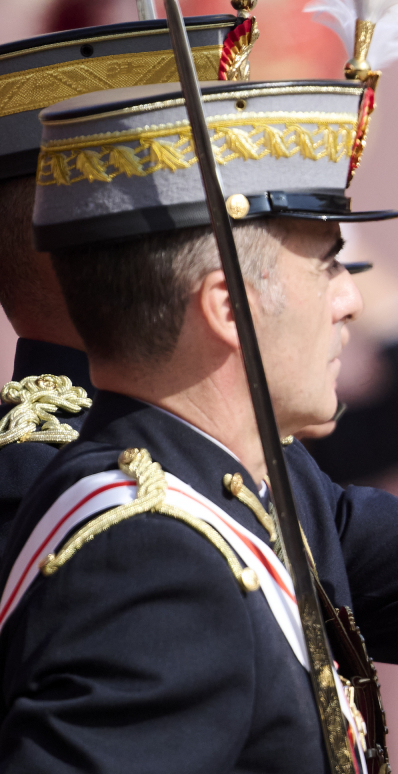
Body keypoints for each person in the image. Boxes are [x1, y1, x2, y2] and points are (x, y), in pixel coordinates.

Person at [0, 79, 398, 774]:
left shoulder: (254, 482)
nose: (350, 300)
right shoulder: (152, 550)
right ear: (227, 308)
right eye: (330, 265)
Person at [0, 13, 244, 542]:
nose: (233, 252)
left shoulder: (230, 437)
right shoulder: (36, 471)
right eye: (182, 223)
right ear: (79, 254)